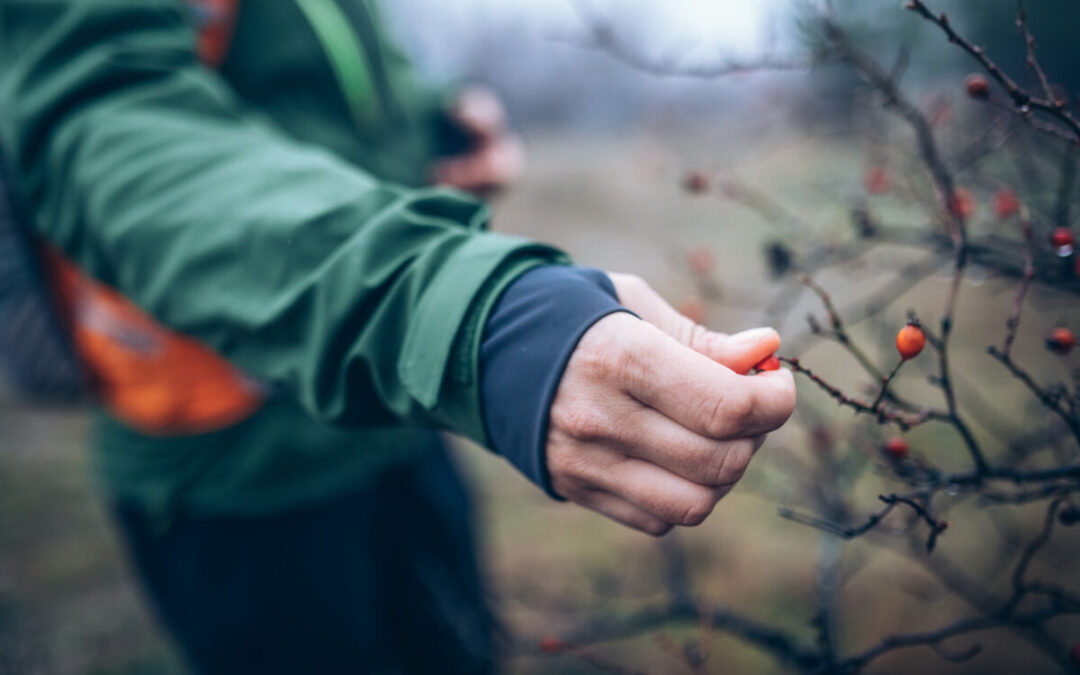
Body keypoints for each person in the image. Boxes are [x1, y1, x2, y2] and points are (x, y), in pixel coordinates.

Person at [0, 1, 796, 673]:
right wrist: (466, 316)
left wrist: (429, 121)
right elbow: (112, 130)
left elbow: (307, 75)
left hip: (393, 416)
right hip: (240, 466)